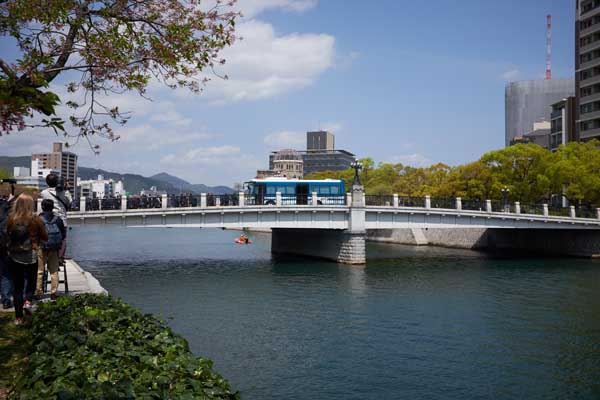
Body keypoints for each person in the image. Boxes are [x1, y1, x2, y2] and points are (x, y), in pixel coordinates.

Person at [6, 194, 47, 325]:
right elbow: (45, 237)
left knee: (17, 288)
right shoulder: (36, 219)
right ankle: (28, 301)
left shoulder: (11, 219)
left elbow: (7, 235)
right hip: (31, 255)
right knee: (31, 283)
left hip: (15, 255)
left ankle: (18, 318)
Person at [36, 199, 66, 300]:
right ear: (52, 207)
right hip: (54, 249)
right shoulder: (58, 219)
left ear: (42, 207)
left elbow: (34, 234)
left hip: (42, 247)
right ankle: (54, 293)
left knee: (40, 271)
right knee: (54, 271)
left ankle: (39, 292)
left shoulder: (38, 219)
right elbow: (63, 235)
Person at [40, 173, 72, 261]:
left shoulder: (44, 193)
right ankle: (60, 257)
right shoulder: (64, 193)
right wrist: (66, 189)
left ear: (47, 182)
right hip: (61, 219)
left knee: (49, 236)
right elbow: (69, 204)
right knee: (63, 239)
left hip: (48, 218)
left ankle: (50, 256)